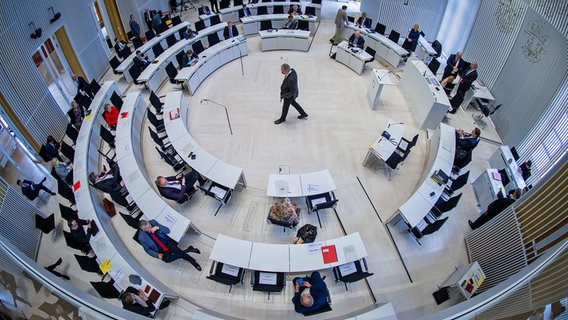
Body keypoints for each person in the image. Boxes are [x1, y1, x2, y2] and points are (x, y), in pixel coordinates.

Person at [137, 219, 202, 270]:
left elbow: (167, 230)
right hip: (160, 250)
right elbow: (147, 250)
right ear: (144, 229)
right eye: (148, 227)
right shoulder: (142, 237)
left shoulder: (153, 222)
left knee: (178, 252)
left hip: (168, 243)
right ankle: (188, 250)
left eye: (149, 225)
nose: (150, 227)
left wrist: (158, 227)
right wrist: (157, 255)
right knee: (168, 259)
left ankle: (193, 261)